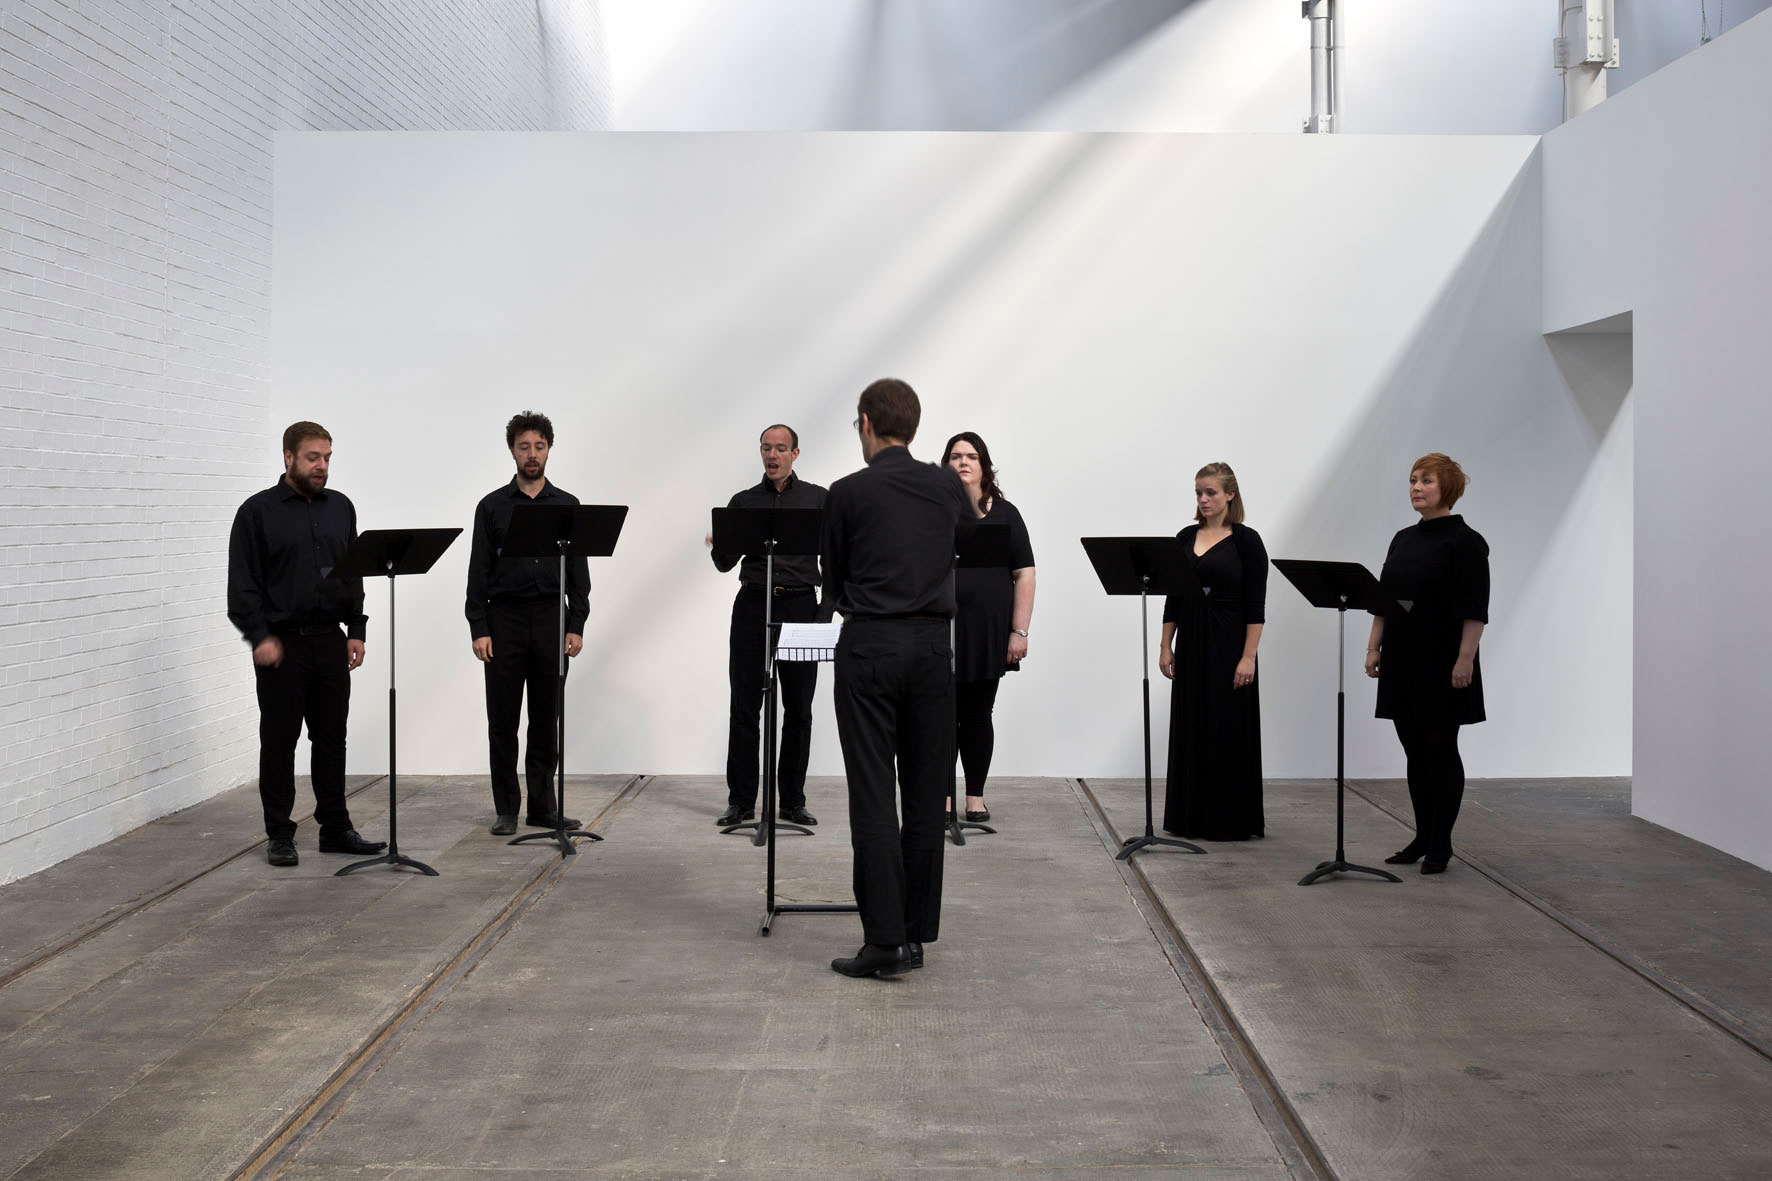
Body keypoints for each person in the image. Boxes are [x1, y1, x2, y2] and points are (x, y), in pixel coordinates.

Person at [822, 378, 972, 979]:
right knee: (926, 797)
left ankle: (883, 941)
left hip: (871, 647)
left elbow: (833, 579)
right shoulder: (947, 486)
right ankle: (913, 935)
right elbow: (958, 547)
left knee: (873, 796)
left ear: (866, 422)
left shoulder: (846, 492)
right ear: (913, 425)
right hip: (933, 648)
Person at [227, 421, 386, 867]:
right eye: (313, 457)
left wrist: (356, 629)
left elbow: (352, 574)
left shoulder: (342, 508)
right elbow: (242, 585)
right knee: (280, 743)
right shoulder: (256, 512)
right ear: (288, 457)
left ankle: (335, 828)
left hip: (330, 641)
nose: (322, 466)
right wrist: (259, 637)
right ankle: (280, 834)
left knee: (332, 740)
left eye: (327, 458)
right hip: (282, 647)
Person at [465, 411, 590, 835]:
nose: (532, 454)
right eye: (524, 447)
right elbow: (478, 571)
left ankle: (542, 806)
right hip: (504, 620)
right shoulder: (492, 506)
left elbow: (579, 573)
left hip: (552, 618)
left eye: (539, 446)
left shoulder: (567, 505)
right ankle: (506, 808)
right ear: (512, 451)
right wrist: (479, 627)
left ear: (549, 449)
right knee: (502, 721)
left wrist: (576, 623)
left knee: (545, 718)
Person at [1365, 453, 1488, 875]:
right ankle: (1421, 836)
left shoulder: (1466, 542)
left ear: (1447, 488)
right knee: (1413, 750)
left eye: (1427, 481)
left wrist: (1465, 660)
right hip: (1402, 656)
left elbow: (1474, 609)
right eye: (1413, 480)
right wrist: (1373, 647)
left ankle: (1441, 841)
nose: (1416, 487)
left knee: (1440, 747)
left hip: (1443, 659)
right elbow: (1384, 599)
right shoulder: (1403, 538)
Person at [706, 425, 827, 828]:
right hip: (753, 604)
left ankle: (792, 801)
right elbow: (724, 564)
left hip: (801, 605)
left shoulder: (818, 499)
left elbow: (838, 558)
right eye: (766, 448)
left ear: (795, 453)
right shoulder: (743, 502)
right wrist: (721, 541)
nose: (772, 455)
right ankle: (741, 802)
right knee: (744, 706)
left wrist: (825, 612)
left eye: (780, 448)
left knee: (799, 708)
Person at [1157, 462, 1268, 841]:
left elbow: (1256, 605)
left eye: (1210, 493)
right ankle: (1190, 818)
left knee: (1226, 727)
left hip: (1229, 644)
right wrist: (1166, 645)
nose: (1203, 500)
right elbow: (1173, 598)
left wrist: (1248, 657)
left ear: (1230, 495)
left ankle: (1228, 820)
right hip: (1191, 643)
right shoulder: (1185, 537)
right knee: (1191, 723)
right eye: (1198, 493)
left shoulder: (1246, 541)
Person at [944, 432, 1035, 822]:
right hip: (941, 631)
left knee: (978, 714)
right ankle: (944, 796)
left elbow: (1025, 573)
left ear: (984, 465)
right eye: (955, 456)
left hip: (988, 631)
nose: (963, 462)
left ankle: (975, 796)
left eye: (971, 456)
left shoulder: (1006, 513)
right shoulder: (935, 511)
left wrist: (1019, 631)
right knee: (941, 717)